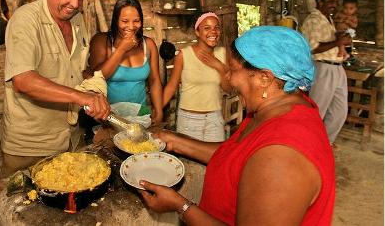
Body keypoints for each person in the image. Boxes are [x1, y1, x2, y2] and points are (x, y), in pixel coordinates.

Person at [139, 26, 335, 226]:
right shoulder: (273, 109)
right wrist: (174, 141)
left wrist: (181, 206)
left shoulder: (281, 158)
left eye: (232, 70)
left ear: (264, 78)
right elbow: (236, 155)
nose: (228, 78)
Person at [1, 0, 110, 177]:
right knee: (23, 206)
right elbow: (23, 80)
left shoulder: (78, 21)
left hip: (71, 138)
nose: (75, 4)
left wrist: (94, 89)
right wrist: (82, 98)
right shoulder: (26, 19)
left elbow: (78, 69)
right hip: (31, 146)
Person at [86, 0, 163, 124]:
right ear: (116, 20)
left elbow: (154, 81)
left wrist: (159, 111)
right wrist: (121, 49)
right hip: (108, 118)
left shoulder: (148, 45)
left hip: (139, 116)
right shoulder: (101, 41)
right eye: (125, 21)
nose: (131, 27)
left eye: (136, 21)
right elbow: (97, 77)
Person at [163, 12, 230, 142]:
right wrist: (158, 110)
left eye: (216, 27)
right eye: (207, 28)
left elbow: (228, 89)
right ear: (197, 32)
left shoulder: (223, 54)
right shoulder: (183, 55)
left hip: (214, 119)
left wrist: (220, 67)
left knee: (215, 159)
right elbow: (171, 87)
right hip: (189, 119)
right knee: (189, 161)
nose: (213, 31)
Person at [300, 0, 351, 144]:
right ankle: (306, 144)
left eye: (336, 2)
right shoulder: (313, 20)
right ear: (320, 2)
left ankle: (323, 144)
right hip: (323, 68)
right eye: (330, 1)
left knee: (339, 112)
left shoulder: (328, 18)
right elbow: (312, 48)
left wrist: (341, 41)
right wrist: (338, 42)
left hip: (337, 68)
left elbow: (334, 43)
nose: (334, 4)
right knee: (317, 111)